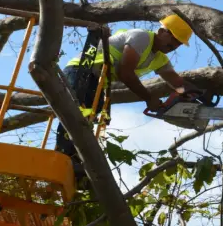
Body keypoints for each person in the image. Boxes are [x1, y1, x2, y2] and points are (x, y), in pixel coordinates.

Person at [55, 14, 200, 170]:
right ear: (162, 31)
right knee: (77, 113)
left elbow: (176, 83)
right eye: (174, 38)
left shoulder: (159, 58)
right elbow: (125, 73)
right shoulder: (142, 37)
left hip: (97, 81)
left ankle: (74, 160)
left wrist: (196, 93)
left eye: (179, 43)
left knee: (90, 116)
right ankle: (62, 157)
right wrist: (149, 98)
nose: (175, 45)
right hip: (81, 70)